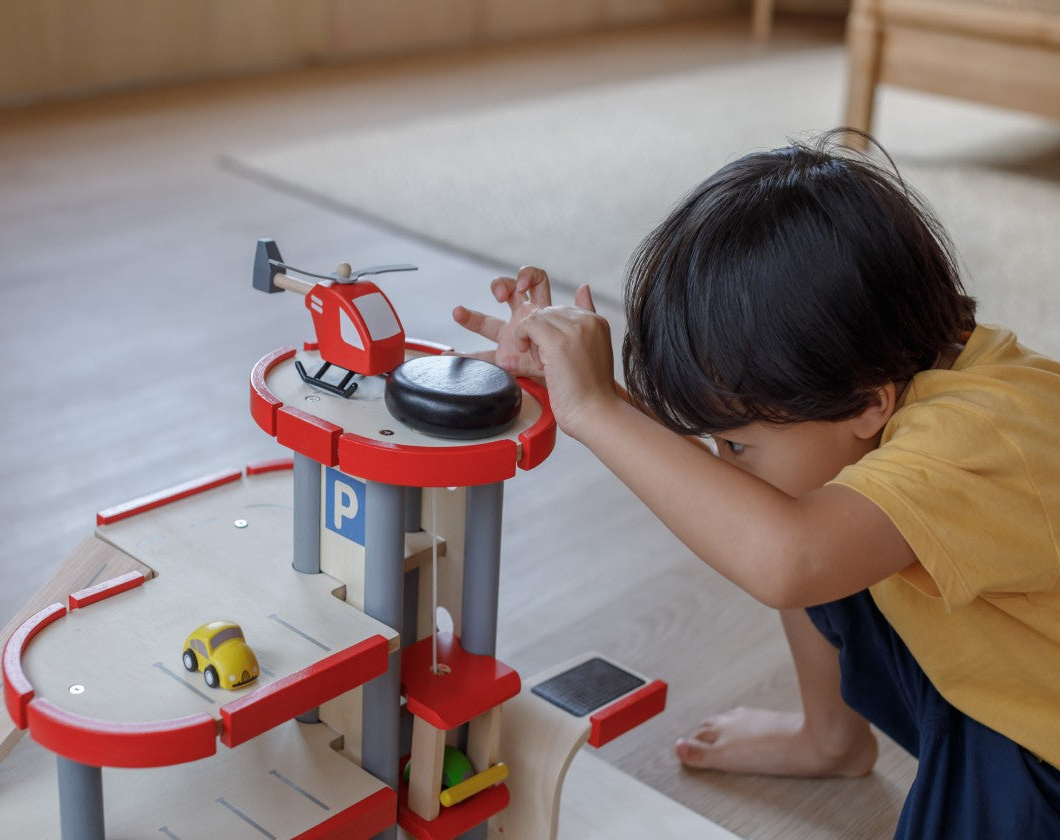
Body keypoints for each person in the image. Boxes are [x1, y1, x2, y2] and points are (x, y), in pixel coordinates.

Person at [451, 131, 1060, 838]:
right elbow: (755, 507)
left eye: (735, 442)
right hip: (1004, 674)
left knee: (792, 529)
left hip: (1037, 749)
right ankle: (830, 737)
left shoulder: (980, 439)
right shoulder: (888, 372)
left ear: (870, 403)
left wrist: (593, 412)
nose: (721, 459)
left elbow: (787, 558)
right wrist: (593, 395)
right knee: (786, 507)